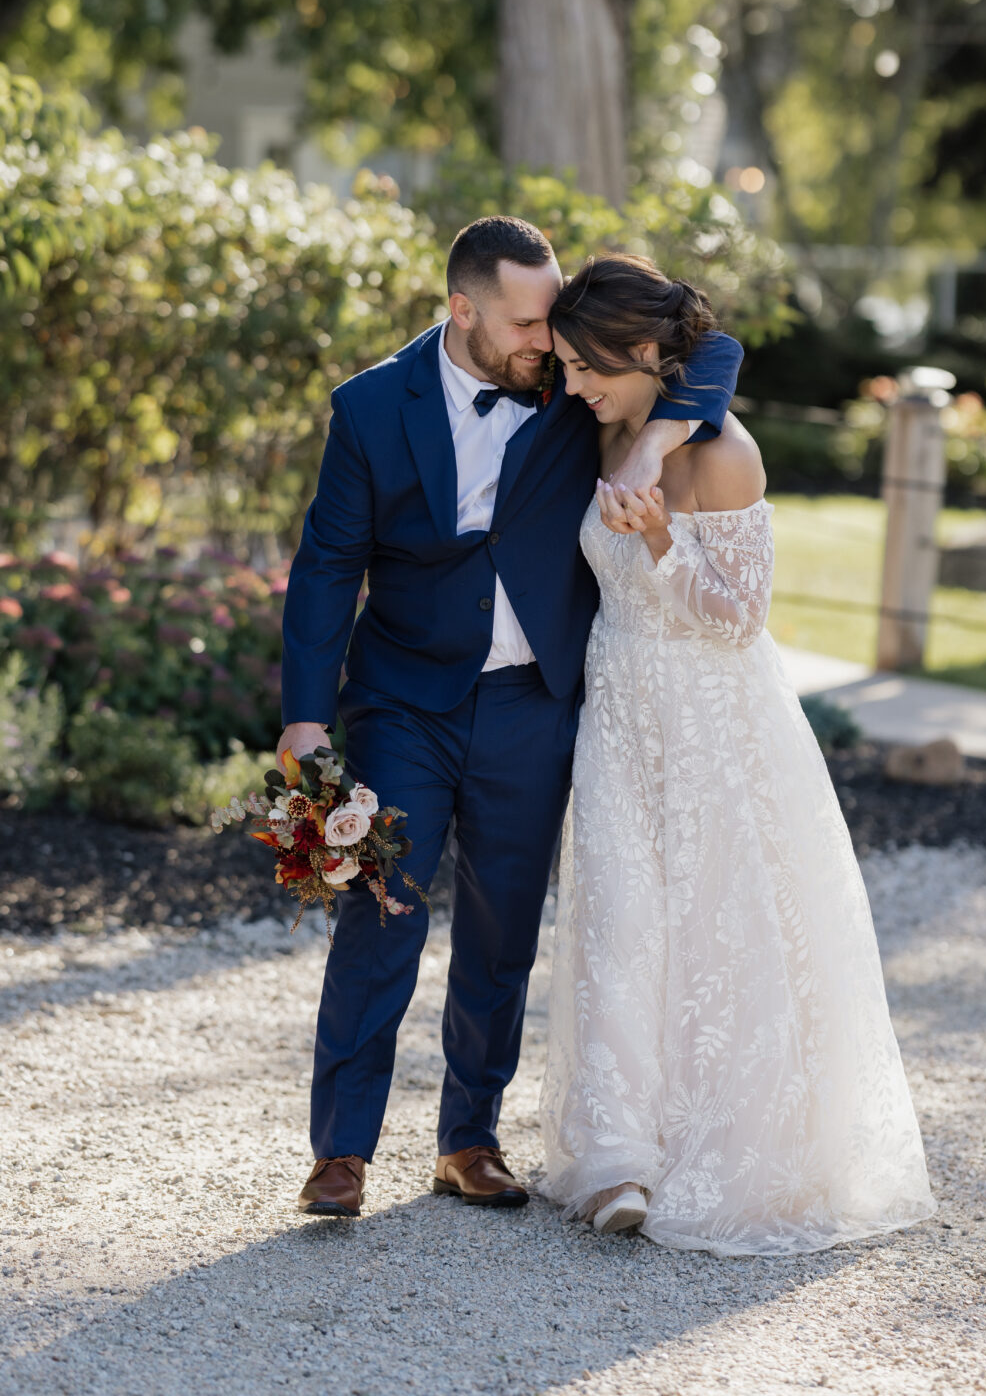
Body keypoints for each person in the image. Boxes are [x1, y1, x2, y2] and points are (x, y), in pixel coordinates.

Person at [278, 218, 744, 1217]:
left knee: (502, 925)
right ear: (463, 310)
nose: (549, 343)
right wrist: (305, 722)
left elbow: (711, 348)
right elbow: (326, 565)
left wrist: (651, 443)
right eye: (529, 324)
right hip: (404, 698)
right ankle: (341, 1150)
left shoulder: (570, 386)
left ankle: (469, 1139)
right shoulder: (368, 408)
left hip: (536, 699)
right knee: (382, 906)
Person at [539, 253, 935, 1251]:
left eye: (587, 366)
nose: (570, 384)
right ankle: (615, 1154)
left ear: (643, 353)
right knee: (616, 917)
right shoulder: (614, 427)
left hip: (711, 719)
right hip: (618, 712)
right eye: (564, 365)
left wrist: (665, 542)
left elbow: (740, 618)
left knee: (718, 927)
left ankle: (714, 1143)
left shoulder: (722, 454)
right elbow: (703, 348)